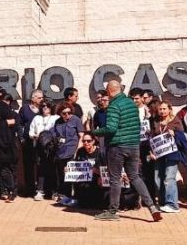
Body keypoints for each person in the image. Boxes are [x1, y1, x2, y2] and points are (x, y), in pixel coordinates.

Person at [90, 79, 162, 221]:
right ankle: (152, 207)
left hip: (117, 146)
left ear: (110, 91)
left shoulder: (114, 106)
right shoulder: (131, 103)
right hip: (133, 145)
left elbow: (111, 128)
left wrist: (95, 132)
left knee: (115, 179)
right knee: (135, 176)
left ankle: (112, 211)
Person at [52, 103, 85, 208]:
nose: (67, 115)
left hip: (72, 151)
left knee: (73, 176)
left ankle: (76, 198)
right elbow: (55, 135)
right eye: (64, 113)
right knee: (64, 176)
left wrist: (77, 150)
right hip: (61, 152)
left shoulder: (76, 120)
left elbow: (81, 136)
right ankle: (66, 197)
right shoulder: (58, 122)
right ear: (60, 113)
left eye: (69, 113)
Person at [28, 100, 57, 201]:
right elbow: (31, 132)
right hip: (39, 147)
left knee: (53, 169)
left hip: (52, 148)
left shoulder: (55, 118)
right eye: (43, 106)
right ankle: (40, 191)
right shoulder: (37, 118)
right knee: (41, 169)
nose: (45, 108)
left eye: (47, 106)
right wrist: (35, 136)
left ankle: (53, 192)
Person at [70, 133, 108, 210]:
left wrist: (97, 172)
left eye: (88, 141)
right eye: (84, 141)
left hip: (97, 179)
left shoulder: (100, 152)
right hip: (84, 179)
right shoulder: (80, 151)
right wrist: (69, 169)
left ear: (93, 141)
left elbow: (105, 169)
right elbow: (75, 164)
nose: (86, 143)